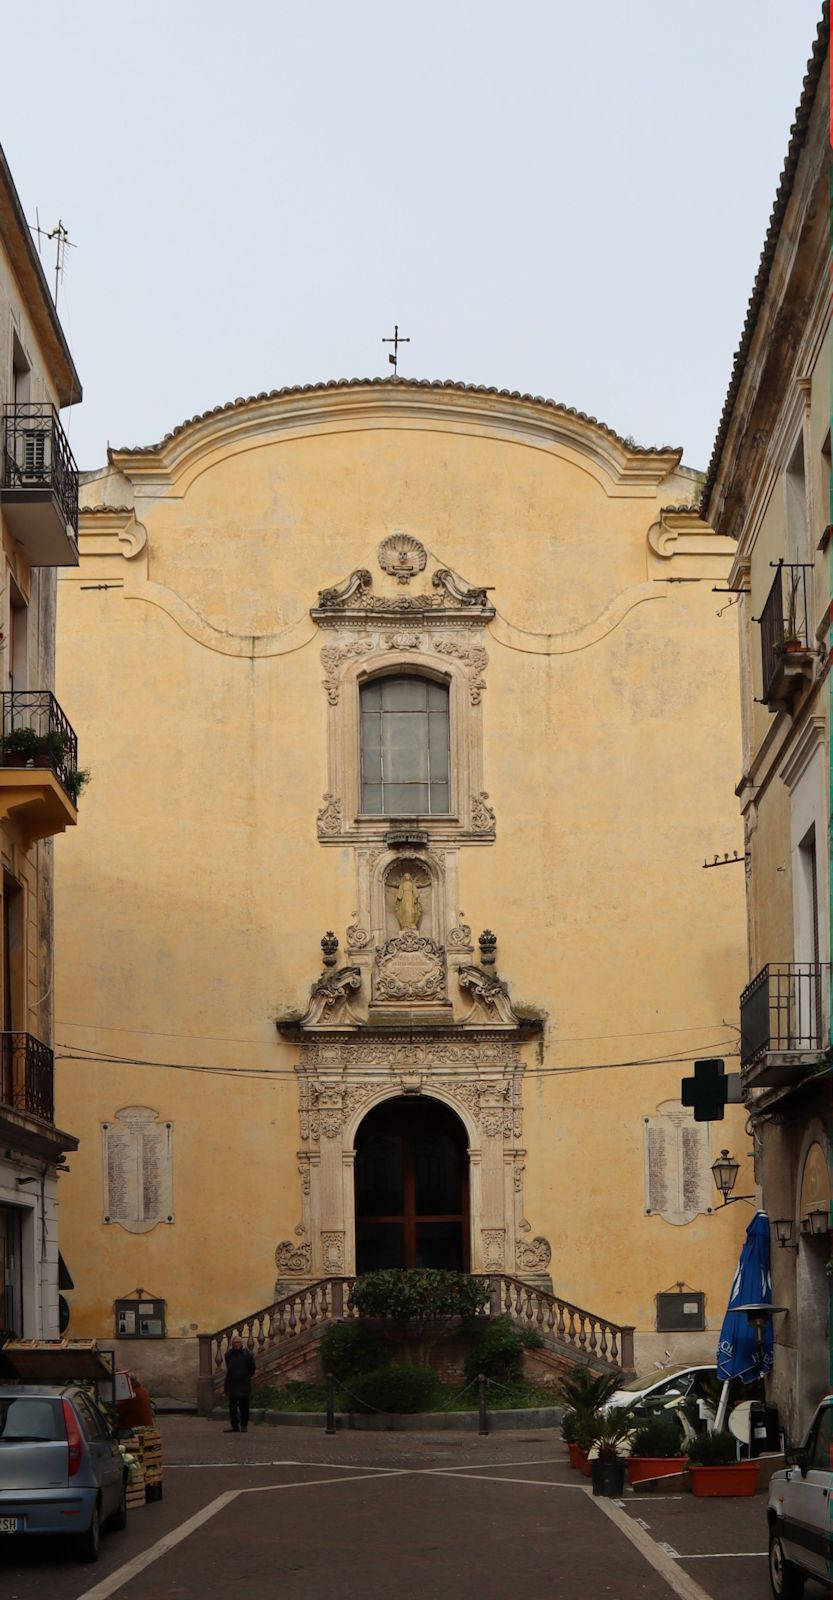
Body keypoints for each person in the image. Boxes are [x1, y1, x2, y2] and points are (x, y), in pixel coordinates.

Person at [224, 1334, 255, 1433]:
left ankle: (244, 1425)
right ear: (232, 1344)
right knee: (232, 1407)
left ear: (241, 1344)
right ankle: (234, 1426)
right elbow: (228, 1366)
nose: (236, 1344)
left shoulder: (247, 1354)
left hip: (243, 1383)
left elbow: (252, 1368)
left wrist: (245, 1376)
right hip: (232, 1383)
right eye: (234, 1343)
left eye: (237, 1343)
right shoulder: (228, 1354)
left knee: (244, 1406)